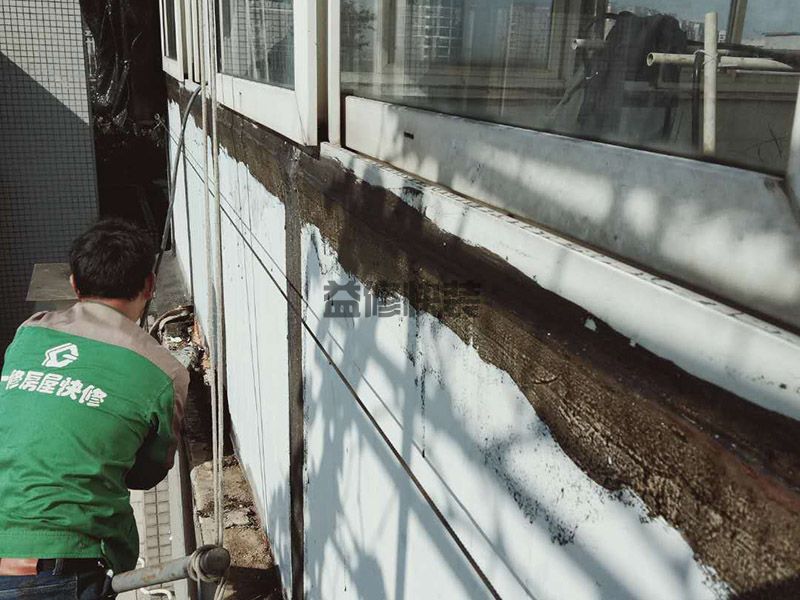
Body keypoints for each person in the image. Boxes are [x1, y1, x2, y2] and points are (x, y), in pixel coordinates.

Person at [0, 219, 189, 599]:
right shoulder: (164, 372)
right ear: (150, 286)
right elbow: (146, 474)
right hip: (62, 569)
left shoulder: (29, 334)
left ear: (73, 283)